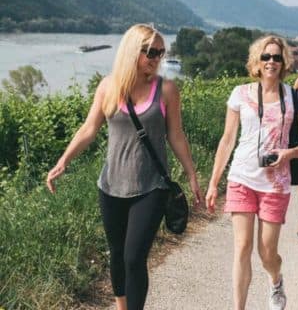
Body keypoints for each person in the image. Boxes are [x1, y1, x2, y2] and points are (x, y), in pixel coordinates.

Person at [46, 24, 205, 310]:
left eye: (160, 52)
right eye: (150, 52)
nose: (157, 57)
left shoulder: (166, 90)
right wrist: (63, 161)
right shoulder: (108, 86)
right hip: (110, 186)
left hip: (151, 187)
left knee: (134, 257)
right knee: (117, 255)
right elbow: (88, 129)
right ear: (132, 51)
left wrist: (192, 174)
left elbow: (176, 135)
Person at [205, 35, 298, 310]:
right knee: (242, 248)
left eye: (277, 57)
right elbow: (228, 139)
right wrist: (214, 182)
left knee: (267, 253)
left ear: (284, 62)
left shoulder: (295, 97)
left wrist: (288, 153)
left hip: (276, 184)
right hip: (241, 178)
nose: (271, 62)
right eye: (266, 57)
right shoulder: (240, 94)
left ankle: (275, 280)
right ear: (257, 61)